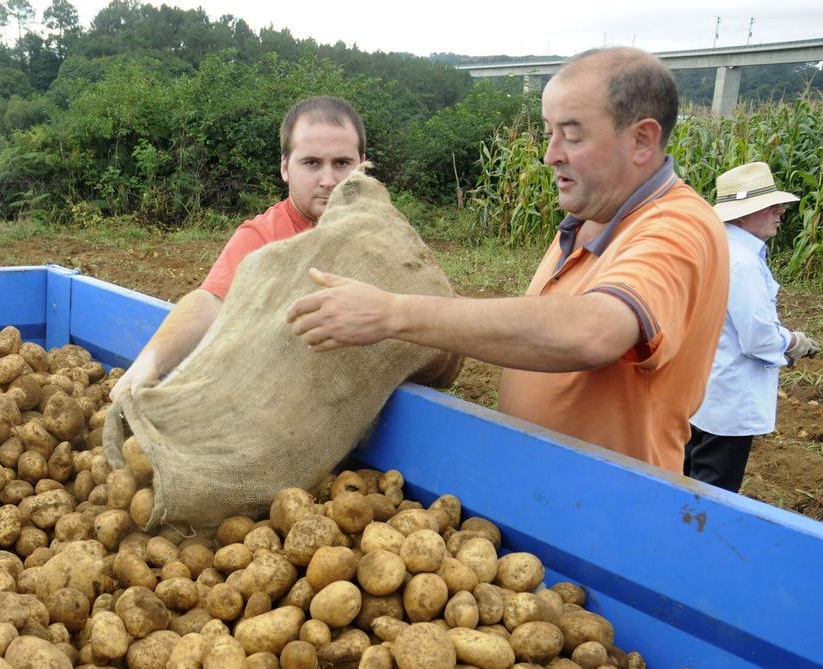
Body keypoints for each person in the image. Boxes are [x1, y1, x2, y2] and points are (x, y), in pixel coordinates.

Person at [286, 47, 729, 473]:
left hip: (608, 510)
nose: (550, 154)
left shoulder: (678, 226)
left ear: (642, 140)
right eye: (549, 132)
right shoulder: (585, 221)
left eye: (572, 135)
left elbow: (593, 331)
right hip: (540, 493)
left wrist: (393, 313)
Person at [110, 96, 365, 400]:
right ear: (285, 167)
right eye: (311, 163)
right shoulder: (264, 236)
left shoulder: (384, 237)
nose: (328, 180)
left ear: (362, 166)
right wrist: (150, 361)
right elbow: (211, 302)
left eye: (341, 163)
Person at [684, 162, 819, 492]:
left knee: (687, 482)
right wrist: (793, 341)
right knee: (714, 496)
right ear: (742, 215)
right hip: (730, 402)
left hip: (703, 391)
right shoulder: (743, 263)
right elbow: (758, 338)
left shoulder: (717, 248)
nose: (781, 211)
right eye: (770, 206)